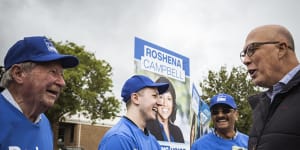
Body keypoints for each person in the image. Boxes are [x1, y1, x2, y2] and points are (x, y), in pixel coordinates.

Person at [0, 36, 79, 149]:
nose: (62, 82)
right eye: (53, 72)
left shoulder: (45, 125)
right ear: (18, 74)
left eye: (61, 74)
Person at [240, 24, 300, 150]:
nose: (245, 60)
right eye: (244, 54)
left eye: (251, 50)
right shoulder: (262, 104)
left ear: (281, 49)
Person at [98, 75, 169, 150]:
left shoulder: (153, 142)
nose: (160, 103)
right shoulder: (119, 138)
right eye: (154, 96)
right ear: (135, 98)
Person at [146, 76, 184, 143]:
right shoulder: (147, 129)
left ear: (173, 103)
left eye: (169, 99)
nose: (165, 103)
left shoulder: (177, 131)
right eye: (161, 97)